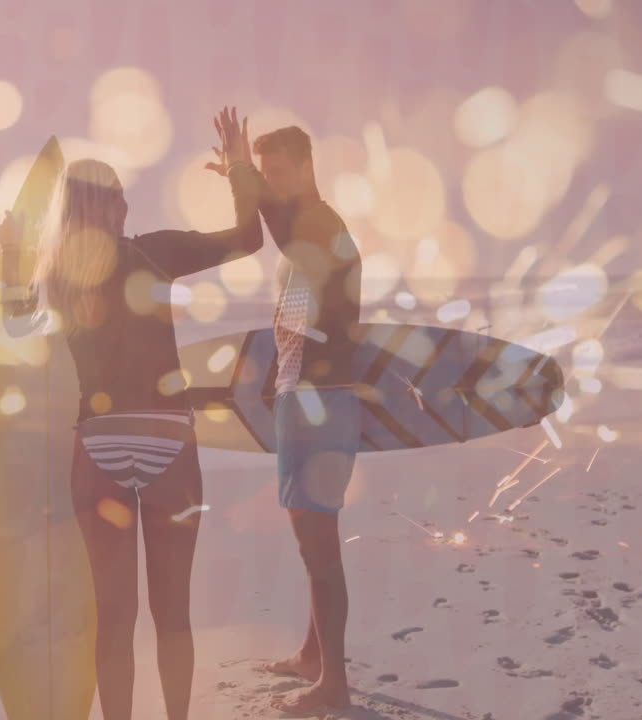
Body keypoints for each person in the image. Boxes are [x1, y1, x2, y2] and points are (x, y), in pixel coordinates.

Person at [0, 107, 262, 720]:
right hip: (170, 445)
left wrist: (13, 254)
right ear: (113, 205)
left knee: (114, 621)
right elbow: (249, 238)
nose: (125, 207)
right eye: (120, 197)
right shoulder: (156, 253)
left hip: (99, 454)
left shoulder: (56, 273)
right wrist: (240, 169)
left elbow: (14, 323)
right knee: (173, 616)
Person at [207, 125, 364, 715]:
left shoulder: (319, 223)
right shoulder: (317, 227)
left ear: (304, 167)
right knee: (312, 543)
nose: (272, 185)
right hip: (309, 398)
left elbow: (277, 224)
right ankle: (313, 656)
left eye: (278, 173)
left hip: (319, 405)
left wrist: (241, 172)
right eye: (266, 174)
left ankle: (335, 687)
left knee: (319, 546)